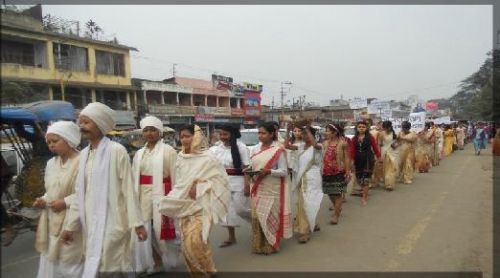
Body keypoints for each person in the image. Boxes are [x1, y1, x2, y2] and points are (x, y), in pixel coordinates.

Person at [60, 102, 147, 277]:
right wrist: (70, 226)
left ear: (100, 124)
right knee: (96, 266)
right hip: (90, 224)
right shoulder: (84, 154)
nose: (81, 126)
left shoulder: (117, 151)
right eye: (81, 122)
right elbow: (79, 194)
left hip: (114, 222)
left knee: (114, 266)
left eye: (86, 122)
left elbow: (128, 190)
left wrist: (137, 223)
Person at [158, 124, 230, 276]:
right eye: (182, 136)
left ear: (196, 136)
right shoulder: (180, 157)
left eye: (187, 136)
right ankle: (205, 270)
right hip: (184, 203)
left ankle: (204, 271)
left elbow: (221, 181)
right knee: (187, 243)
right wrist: (176, 196)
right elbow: (179, 181)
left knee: (195, 240)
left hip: (203, 203)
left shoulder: (208, 157)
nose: (184, 139)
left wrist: (199, 185)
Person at [33, 121, 83, 278]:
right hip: (52, 218)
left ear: (68, 139)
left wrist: (65, 202)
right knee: (51, 261)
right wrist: (43, 200)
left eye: (55, 141)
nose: (51, 145)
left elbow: (87, 193)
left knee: (70, 262)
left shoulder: (83, 161)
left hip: (74, 218)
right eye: (48, 142)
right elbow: (51, 192)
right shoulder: (51, 163)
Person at [131, 116, 180, 274]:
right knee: (145, 228)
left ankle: (169, 258)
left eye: (153, 130)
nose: (149, 133)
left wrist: (174, 197)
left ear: (160, 132)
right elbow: (134, 177)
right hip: (143, 195)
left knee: (162, 230)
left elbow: (176, 176)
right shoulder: (139, 153)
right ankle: (155, 262)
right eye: (146, 130)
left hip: (163, 194)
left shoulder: (169, 151)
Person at [246, 122, 292, 254]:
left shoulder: (278, 150)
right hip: (257, 185)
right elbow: (254, 165)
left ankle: (271, 244)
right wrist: (249, 169)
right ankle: (259, 244)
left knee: (270, 215)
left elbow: (284, 171)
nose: (260, 136)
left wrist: (269, 172)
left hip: (272, 188)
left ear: (272, 134)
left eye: (263, 133)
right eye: (259, 133)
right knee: (258, 215)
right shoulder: (254, 149)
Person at [209, 124, 250, 248]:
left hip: (238, 182)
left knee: (240, 209)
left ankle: (258, 221)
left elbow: (247, 168)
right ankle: (231, 237)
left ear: (232, 134)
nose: (222, 137)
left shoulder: (241, 147)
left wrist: (247, 185)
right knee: (227, 212)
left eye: (225, 134)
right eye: (220, 134)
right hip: (222, 184)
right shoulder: (216, 149)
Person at [285, 125, 323, 243]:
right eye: (302, 133)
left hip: (312, 178)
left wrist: (306, 126)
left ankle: (304, 231)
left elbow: (313, 143)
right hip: (301, 177)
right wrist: (287, 130)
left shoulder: (318, 146)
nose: (303, 135)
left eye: (306, 133)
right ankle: (313, 223)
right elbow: (286, 146)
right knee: (302, 203)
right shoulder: (300, 146)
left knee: (309, 202)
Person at [321, 123, 351, 224]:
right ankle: (337, 207)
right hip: (326, 172)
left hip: (339, 172)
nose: (326, 132)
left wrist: (347, 171)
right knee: (330, 193)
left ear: (335, 132)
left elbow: (347, 158)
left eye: (328, 131)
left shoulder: (343, 143)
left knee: (337, 194)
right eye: (326, 130)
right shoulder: (325, 143)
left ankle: (336, 215)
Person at [349, 121, 381, 206]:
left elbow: (375, 148)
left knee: (366, 179)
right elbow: (352, 151)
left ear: (366, 128)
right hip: (358, 160)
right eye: (359, 127)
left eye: (363, 127)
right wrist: (351, 161)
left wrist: (379, 157)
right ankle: (364, 192)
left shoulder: (370, 137)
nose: (361, 128)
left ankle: (364, 197)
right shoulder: (354, 139)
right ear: (357, 128)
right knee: (360, 179)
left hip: (368, 159)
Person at [379, 121, 399, 191]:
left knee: (391, 168)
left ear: (390, 127)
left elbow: (396, 143)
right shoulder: (381, 134)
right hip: (384, 152)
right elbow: (380, 144)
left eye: (387, 127)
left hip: (392, 152)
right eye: (384, 128)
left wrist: (395, 145)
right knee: (385, 168)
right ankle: (386, 181)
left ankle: (389, 184)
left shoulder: (393, 133)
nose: (385, 129)